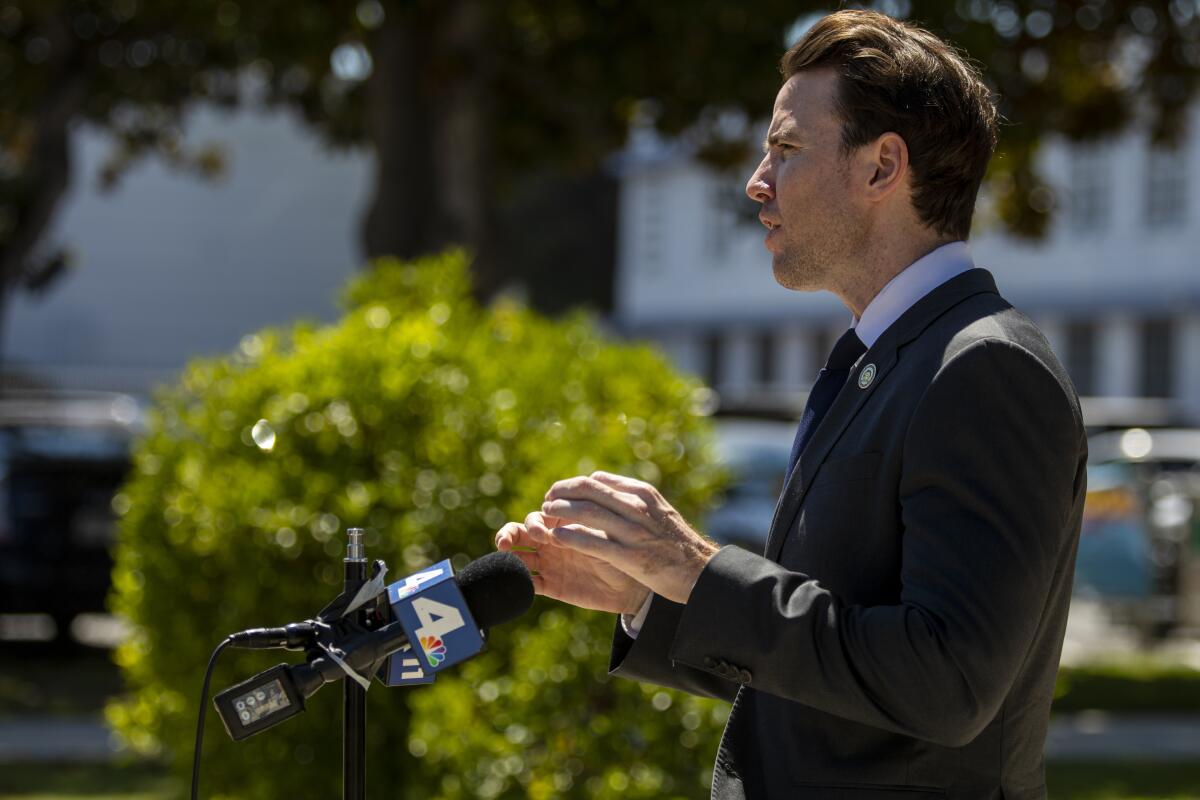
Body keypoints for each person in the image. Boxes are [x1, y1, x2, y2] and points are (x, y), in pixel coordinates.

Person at [495, 9, 1087, 799]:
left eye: (785, 149)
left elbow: (945, 684)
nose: (757, 182)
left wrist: (699, 570)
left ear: (882, 168)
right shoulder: (880, 360)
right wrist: (654, 596)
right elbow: (832, 674)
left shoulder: (986, 369)